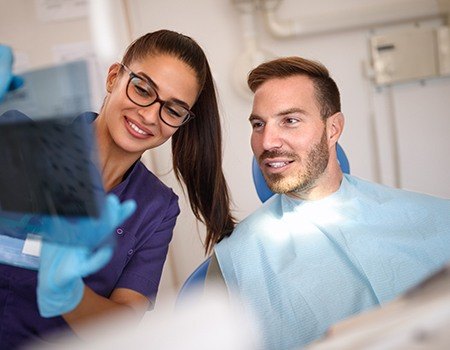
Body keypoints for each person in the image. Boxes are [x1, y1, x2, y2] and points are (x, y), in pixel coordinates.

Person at [0, 30, 235, 348]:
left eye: (174, 110)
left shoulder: (157, 207)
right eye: (142, 89)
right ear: (113, 78)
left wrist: (69, 293)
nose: (150, 115)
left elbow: (123, 323)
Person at [211, 56, 450, 350]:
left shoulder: (434, 219)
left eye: (290, 121)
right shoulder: (233, 261)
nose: (268, 141)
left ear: (333, 128)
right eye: (258, 124)